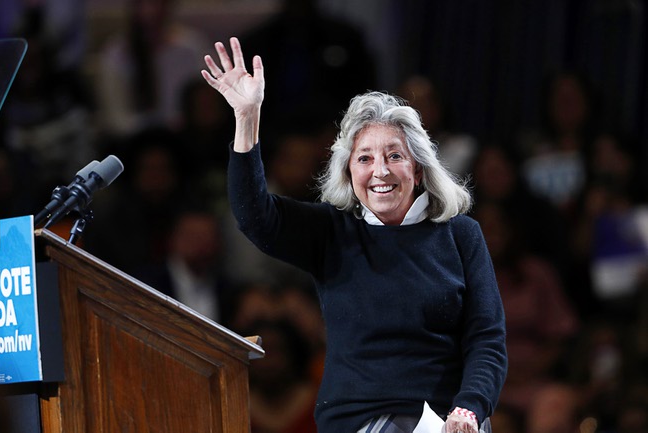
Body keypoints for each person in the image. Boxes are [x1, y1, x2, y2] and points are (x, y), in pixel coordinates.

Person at [201, 37, 507, 433]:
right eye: (364, 158)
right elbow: (255, 216)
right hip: (358, 422)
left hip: (448, 421)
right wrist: (247, 118)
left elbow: (487, 338)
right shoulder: (332, 231)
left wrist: (470, 407)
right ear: (349, 173)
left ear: (417, 169)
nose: (379, 171)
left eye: (394, 156)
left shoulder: (461, 234)